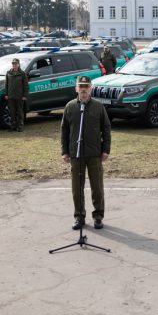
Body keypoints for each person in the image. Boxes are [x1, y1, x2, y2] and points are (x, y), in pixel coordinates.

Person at [60, 75, 111, 230]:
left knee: (97, 186)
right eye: (81, 87)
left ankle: (98, 216)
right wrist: (64, 151)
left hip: (94, 153)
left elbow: (106, 129)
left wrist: (106, 149)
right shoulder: (70, 107)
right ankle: (79, 216)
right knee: (77, 187)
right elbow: (64, 131)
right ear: (76, 89)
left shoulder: (98, 106)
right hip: (76, 153)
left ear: (90, 89)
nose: (83, 90)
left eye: (86, 87)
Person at [4, 58, 28, 132]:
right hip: (11, 96)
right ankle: (13, 126)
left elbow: (25, 85)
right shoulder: (8, 73)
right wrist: (6, 94)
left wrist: (24, 95)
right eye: (13, 64)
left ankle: (20, 126)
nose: (14, 65)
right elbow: (6, 84)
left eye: (16, 64)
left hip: (19, 96)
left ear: (18, 64)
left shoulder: (22, 73)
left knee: (20, 112)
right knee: (12, 112)